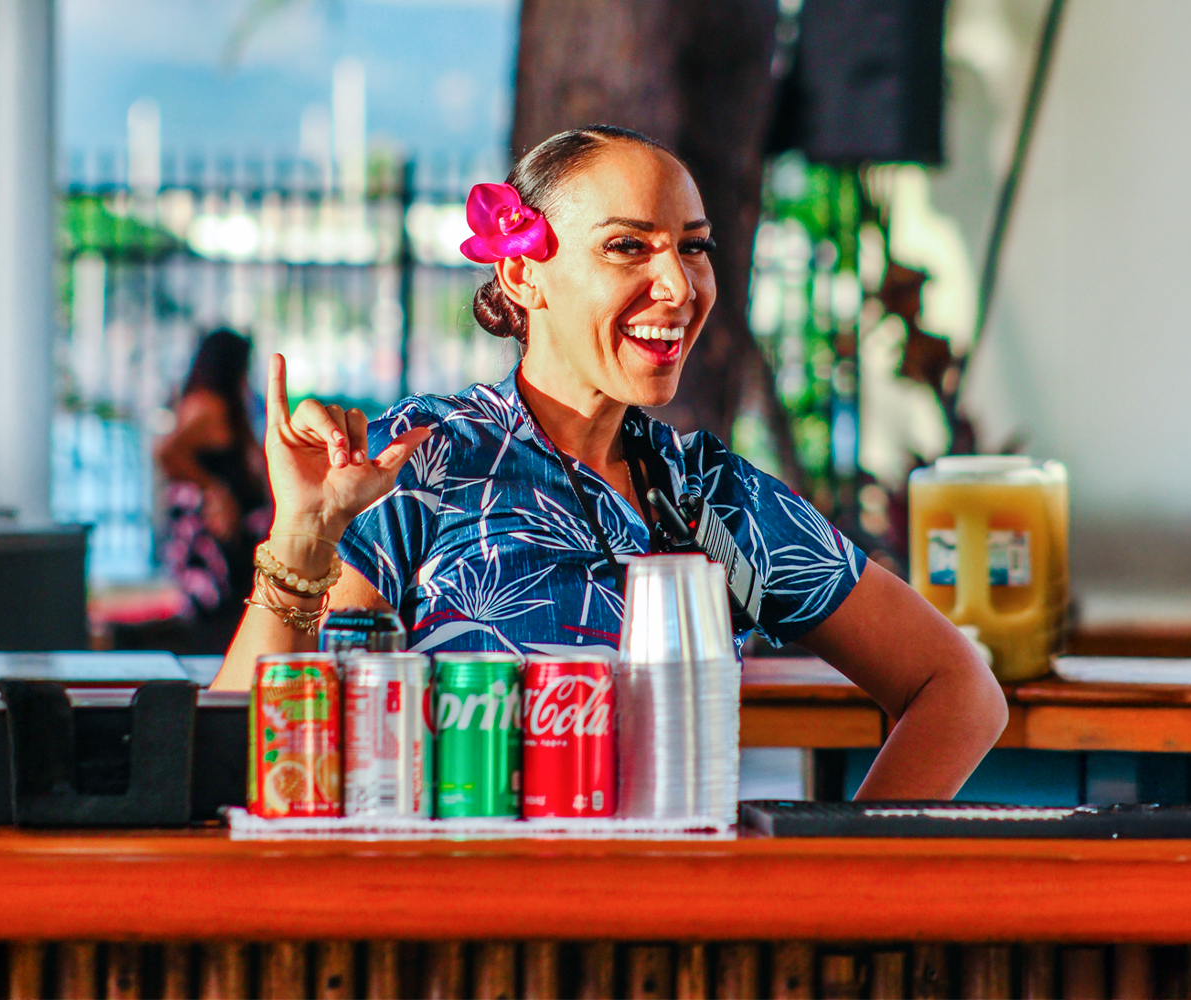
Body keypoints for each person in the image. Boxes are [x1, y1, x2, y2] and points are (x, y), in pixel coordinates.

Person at [214, 126, 1005, 799]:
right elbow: (243, 758)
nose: (679, 284)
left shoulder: (713, 499)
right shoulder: (418, 461)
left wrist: (834, 889)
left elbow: (959, 688)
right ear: (523, 274)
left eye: (694, 249)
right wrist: (304, 534)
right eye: (628, 246)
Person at [155, 328, 272, 652]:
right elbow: (166, 451)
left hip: (227, 544)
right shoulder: (209, 406)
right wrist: (214, 490)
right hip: (216, 551)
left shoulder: (225, 404)